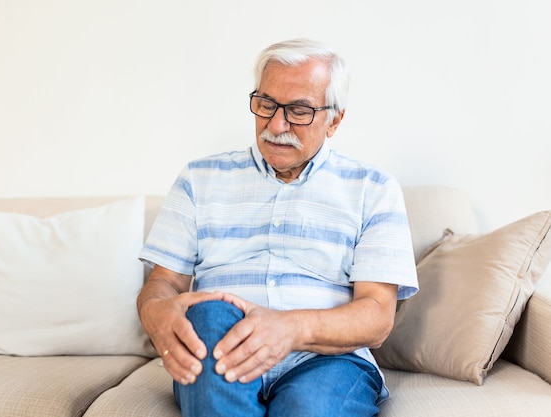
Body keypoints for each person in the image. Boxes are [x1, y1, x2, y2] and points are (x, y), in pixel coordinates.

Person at [137, 38, 419, 417]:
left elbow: (377, 317)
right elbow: (163, 284)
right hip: (220, 340)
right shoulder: (198, 179)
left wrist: (290, 329)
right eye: (266, 105)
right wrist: (155, 312)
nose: (276, 124)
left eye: (299, 110)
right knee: (207, 314)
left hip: (326, 360)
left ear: (334, 119)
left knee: (309, 408)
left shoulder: (374, 189)